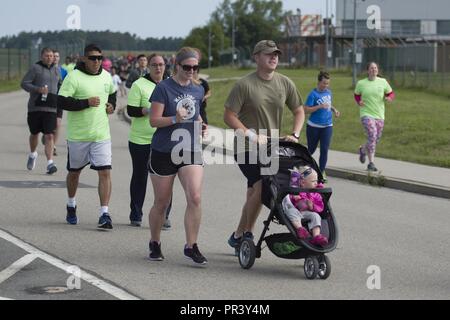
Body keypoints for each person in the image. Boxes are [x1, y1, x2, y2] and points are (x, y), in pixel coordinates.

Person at [224, 40, 305, 254]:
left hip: (272, 148)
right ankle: (247, 235)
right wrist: (250, 135)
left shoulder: (285, 83)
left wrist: (295, 134)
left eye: (276, 54)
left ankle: (238, 236)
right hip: (246, 147)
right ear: (256, 57)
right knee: (261, 186)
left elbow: (299, 110)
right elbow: (229, 116)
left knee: (254, 192)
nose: (274, 57)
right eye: (268, 54)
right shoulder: (244, 85)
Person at [147, 47, 208, 265]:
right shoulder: (163, 88)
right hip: (164, 150)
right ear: (177, 66)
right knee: (162, 203)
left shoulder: (198, 90)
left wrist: (200, 124)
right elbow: (153, 120)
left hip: (190, 148)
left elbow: (196, 113)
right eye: (187, 67)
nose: (191, 71)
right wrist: (174, 118)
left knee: (195, 197)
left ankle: (191, 246)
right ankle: (155, 241)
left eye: (195, 67)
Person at [57, 44, 117, 229]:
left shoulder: (106, 76)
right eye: (92, 58)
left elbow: (112, 95)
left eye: (99, 58)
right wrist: (85, 102)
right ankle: (71, 203)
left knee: (105, 172)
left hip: (101, 135)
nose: (97, 61)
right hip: (78, 136)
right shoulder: (74, 77)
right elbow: (61, 101)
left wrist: (111, 106)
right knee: (74, 173)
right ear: (84, 59)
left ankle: (104, 213)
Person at [127, 53, 172, 228]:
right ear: (148, 67)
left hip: (165, 140)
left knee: (166, 178)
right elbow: (131, 110)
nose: (158, 68)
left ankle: (165, 215)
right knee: (140, 176)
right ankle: (136, 213)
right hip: (140, 140)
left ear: (165, 66)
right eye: (154, 65)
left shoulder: (171, 85)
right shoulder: (139, 84)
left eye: (161, 64)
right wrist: (147, 110)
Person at [21, 47, 60, 175]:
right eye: (47, 56)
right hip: (35, 108)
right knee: (34, 133)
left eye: (51, 56)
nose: (49, 58)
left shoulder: (56, 69)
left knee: (49, 135)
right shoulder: (35, 68)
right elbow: (24, 83)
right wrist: (37, 89)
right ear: (41, 56)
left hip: (51, 108)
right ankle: (33, 154)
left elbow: (59, 85)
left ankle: (50, 163)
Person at [354, 62, 395, 172]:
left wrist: (389, 98)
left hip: (379, 115)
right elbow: (356, 95)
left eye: (375, 68)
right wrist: (359, 101)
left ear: (378, 70)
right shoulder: (361, 83)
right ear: (368, 70)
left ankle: (363, 150)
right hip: (366, 114)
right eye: (371, 68)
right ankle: (371, 163)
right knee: (372, 135)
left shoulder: (383, 82)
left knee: (375, 139)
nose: (374, 70)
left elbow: (391, 93)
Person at [304, 71, 340, 181]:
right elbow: (306, 110)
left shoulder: (328, 92)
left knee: (324, 149)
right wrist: (319, 106)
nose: (326, 86)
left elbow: (328, 105)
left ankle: (321, 172)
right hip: (313, 127)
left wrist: (334, 110)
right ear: (319, 82)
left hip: (327, 126)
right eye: (324, 83)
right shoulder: (312, 94)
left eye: (327, 83)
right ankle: (304, 169)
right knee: (311, 149)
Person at [281, 165, 328, 246]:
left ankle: (316, 236)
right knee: (291, 211)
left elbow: (320, 206)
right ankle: (300, 229)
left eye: (316, 181)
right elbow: (288, 201)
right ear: (303, 183)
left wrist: (312, 206)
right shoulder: (296, 190)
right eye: (313, 181)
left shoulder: (316, 193)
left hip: (307, 213)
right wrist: (295, 197)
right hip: (295, 211)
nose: (316, 183)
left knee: (316, 216)